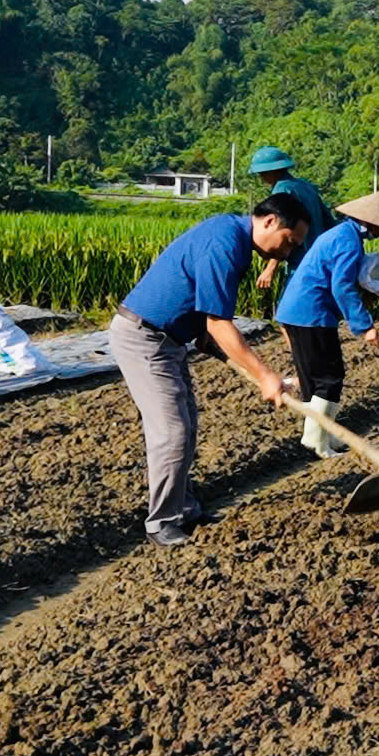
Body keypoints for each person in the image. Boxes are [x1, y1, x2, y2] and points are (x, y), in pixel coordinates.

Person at [113, 193, 311, 547]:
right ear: (269, 222)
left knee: (185, 426)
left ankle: (185, 509)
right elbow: (220, 323)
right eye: (289, 241)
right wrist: (266, 375)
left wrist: (206, 338)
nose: (287, 252)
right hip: (144, 338)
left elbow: (208, 322)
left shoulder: (233, 240)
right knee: (172, 431)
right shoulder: (226, 243)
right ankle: (162, 522)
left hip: (170, 340)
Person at [275, 189, 379, 458]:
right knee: (329, 377)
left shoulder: (341, 234)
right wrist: (365, 326)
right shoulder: (348, 241)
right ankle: (317, 441)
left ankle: (322, 435)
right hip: (312, 313)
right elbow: (342, 286)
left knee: (314, 379)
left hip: (297, 311)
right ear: (369, 222)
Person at [248, 146, 338, 292]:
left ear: (272, 171)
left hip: (299, 261)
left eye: (263, 173)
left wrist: (270, 269)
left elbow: (280, 233)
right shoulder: (306, 187)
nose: (262, 177)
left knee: (293, 304)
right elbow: (329, 221)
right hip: (320, 260)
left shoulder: (282, 190)